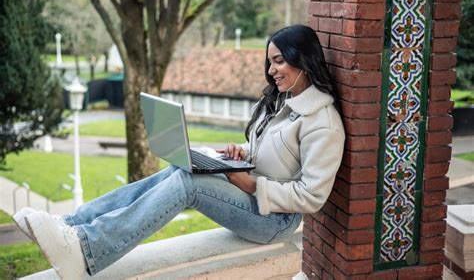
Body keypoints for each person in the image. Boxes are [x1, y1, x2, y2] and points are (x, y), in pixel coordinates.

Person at [13, 24, 345, 279]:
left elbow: (312, 197)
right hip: (250, 194)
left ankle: (86, 250)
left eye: (279, 61)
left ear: (303, 59)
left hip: (274, 219)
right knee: (180, 168)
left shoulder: (323, 123)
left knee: (189, 183)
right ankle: (71, 225)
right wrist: (238, 153)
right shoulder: (279, 100)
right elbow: (270, 149)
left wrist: (251, 184)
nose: (271, 70)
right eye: (269, 62)